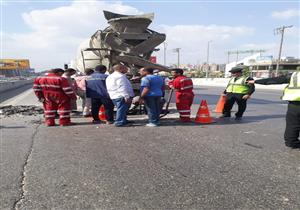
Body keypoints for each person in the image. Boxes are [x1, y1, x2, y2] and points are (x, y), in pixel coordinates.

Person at [251, 71, 300, 149]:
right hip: (294, 103)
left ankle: (291, 142)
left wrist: (256, 81)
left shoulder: (296, 75)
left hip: (294, 104)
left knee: (292, 124)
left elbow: (276, 80)